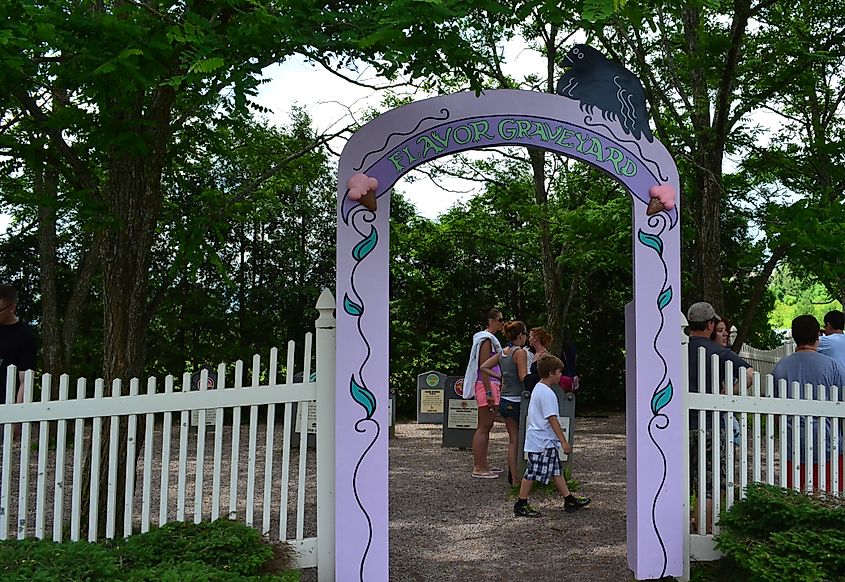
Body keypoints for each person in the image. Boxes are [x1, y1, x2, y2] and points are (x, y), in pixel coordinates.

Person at [687, 302, 753, 532]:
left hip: (679, 428)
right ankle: (704, 535)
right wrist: (729, 393)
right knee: (709, 484)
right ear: (710, 324)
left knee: (683, 482)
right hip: (712, 427)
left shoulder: (676, 350)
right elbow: (749, 374)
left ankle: (680, 534)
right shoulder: (720, 353)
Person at [773, 314, 845, 492]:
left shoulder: (780, 368)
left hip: (794, 445)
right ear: (817, 335)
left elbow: (775, 412)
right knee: (830, 498)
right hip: (830, 444)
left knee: (796, 497)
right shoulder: (833, 367)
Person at [513, 355, 590, 517]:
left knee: (556, 471)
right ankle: (521, 503)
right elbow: (552, 419)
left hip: (541, 439)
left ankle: (569, 499)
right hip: (542, 441)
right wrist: (564, 442)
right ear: (551, 373)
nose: (561, 375)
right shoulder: (547, 393)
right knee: (532, 472)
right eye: (559, 372)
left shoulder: (538, 388)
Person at [480, 321, 529, 485]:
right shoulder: (519, 352)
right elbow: (523, 377)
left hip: (505, 399)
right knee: (521, 440)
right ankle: (521, 475)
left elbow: (484, 366)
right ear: (521, 335)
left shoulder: (503, 352)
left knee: (512, 440)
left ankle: (514, 478)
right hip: (518, 399)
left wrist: (500, 377)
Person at [462, 308, 504, 479]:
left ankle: (483, 464)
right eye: (501, 319)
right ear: (492, 320)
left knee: (487, 426)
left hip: (490, 384)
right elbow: (483, 367)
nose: (503, 323)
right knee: (484, 427)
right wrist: (488, 391)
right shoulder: (486, 340)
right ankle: (479, 467)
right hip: (486, 385)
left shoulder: (488, 339)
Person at [0, 284, 37, 405]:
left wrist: (16, 418)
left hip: (5, 408)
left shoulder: (24, 337)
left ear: (12, 308)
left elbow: (24, 382)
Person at [710, 317, 741, 446]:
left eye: (726, 330)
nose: (725, 334)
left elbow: (749, 376)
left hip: (726, 416)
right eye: (720, 330)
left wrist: (728, 392)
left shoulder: (728, 356)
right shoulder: (722, 355)